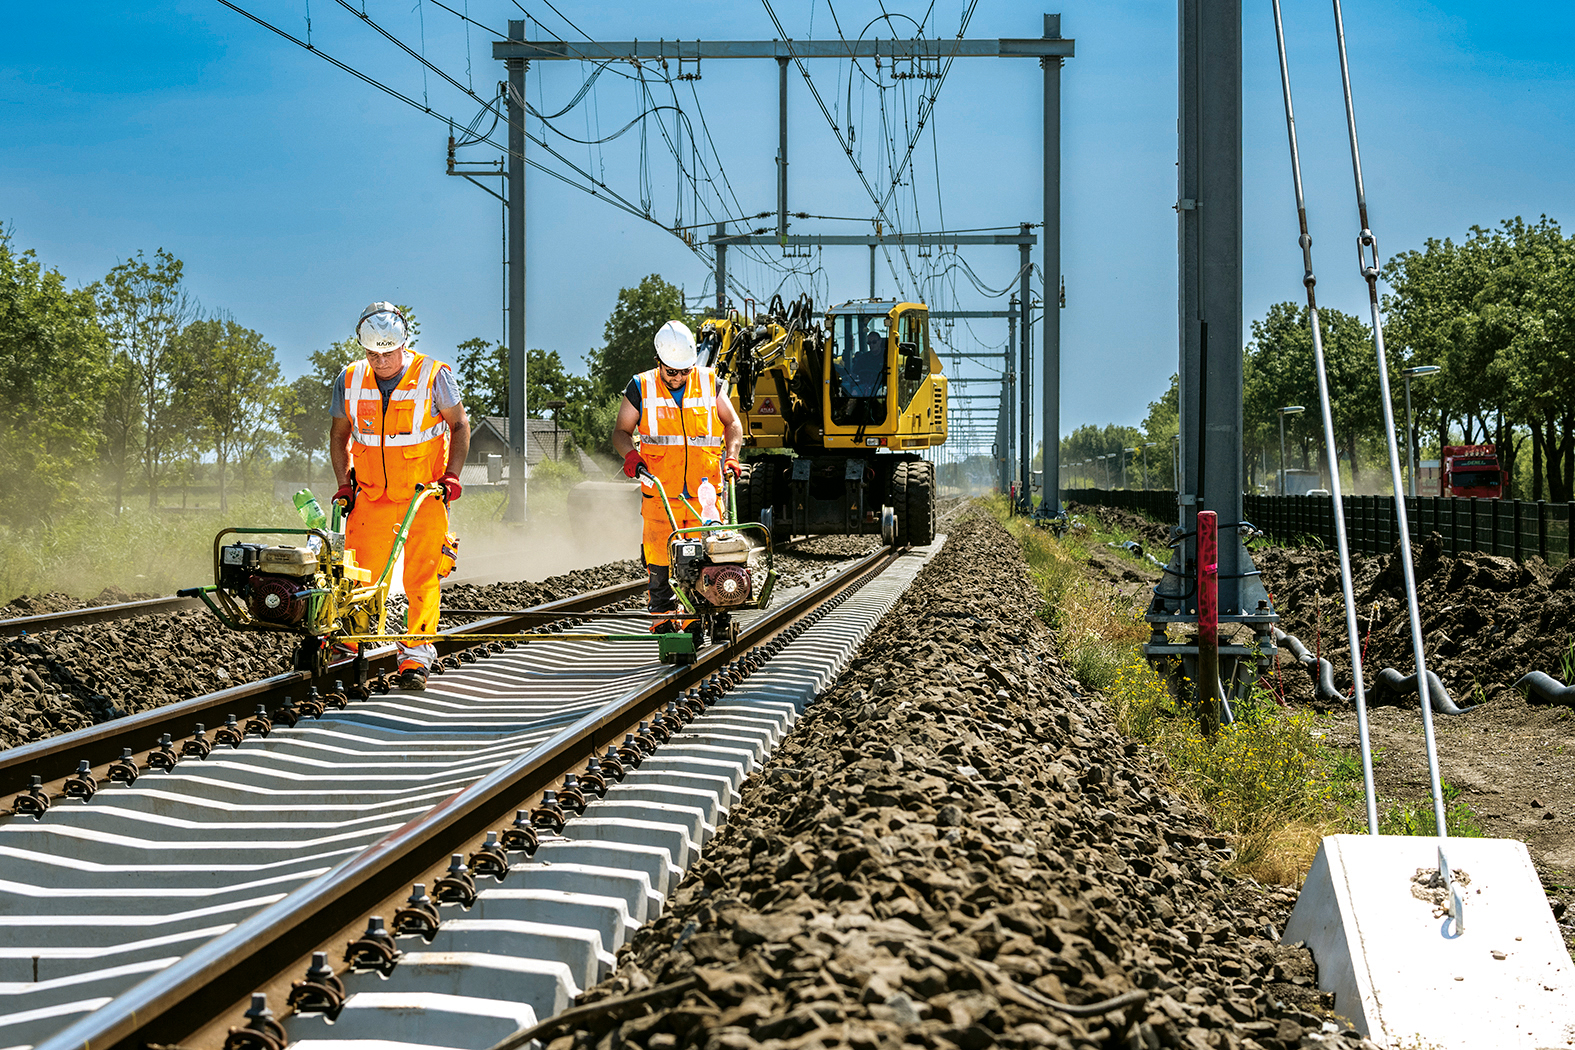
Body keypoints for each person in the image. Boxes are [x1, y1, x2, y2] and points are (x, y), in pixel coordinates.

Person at [329, 302, 471, 690]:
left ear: (403, 343)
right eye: (372, 353)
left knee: (422, 575)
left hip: (424, 496)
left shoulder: (435, 375)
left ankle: (415, 655)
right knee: (358, 576)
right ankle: (348, 645)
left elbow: (459, 425)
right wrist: (344, 482)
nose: (380, 360)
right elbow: (340, 435)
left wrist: (452, 476)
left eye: (387, 352)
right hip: (370, 495)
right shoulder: (350, 378)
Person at [611, 319, 744, 634]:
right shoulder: (641, 387)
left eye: (685, 370)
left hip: (705, 498)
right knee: (660, 567)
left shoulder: (710, 383)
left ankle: (713, 617)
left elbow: (733, 425)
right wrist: (631, 455)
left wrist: (733, 455)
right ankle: (666, 628)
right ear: (659, 363)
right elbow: (621, 431)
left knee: (712, 562)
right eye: (672, 371)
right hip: (659, 497)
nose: (679, 377)